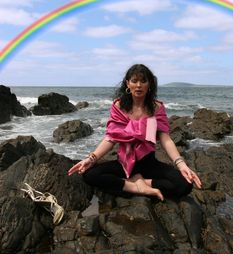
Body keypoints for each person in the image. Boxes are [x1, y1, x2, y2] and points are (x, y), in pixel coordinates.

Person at [68, 64, 202, 201]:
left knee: (185, 184)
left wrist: (182, 164)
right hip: (124, 164)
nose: (138, 85)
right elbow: (111, 138)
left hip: (149, 164)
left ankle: (143, 182)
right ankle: (133, 186)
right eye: (134, 81)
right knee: (89, 174)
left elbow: (165, 138)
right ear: (127, 83)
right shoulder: (118, 107)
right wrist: (91, 159)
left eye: (143, 81)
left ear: (149, 84)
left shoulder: (156, 108)